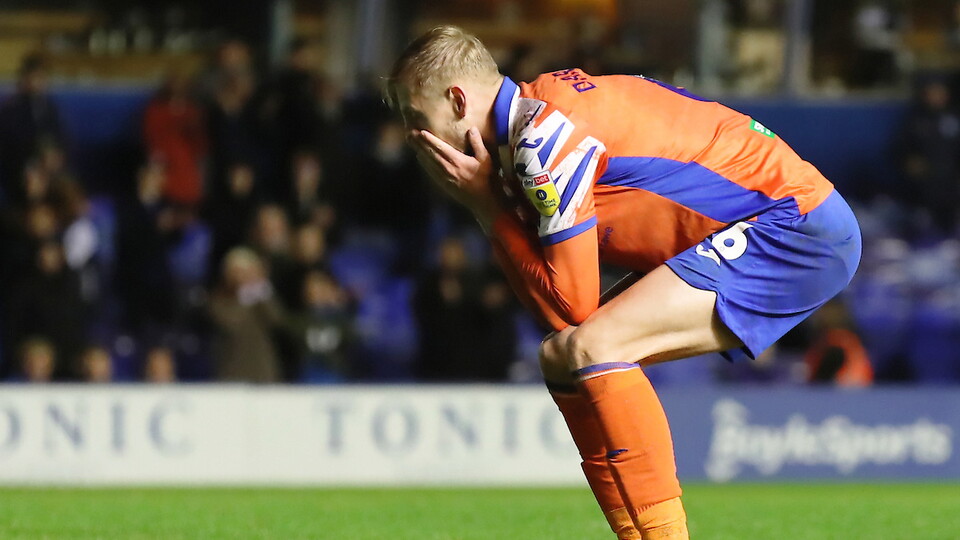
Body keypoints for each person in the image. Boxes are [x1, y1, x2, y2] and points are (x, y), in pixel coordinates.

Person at [386, 26, 861, 539]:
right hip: (768, 219)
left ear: (457, 100)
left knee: (594, 346)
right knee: (561, 356)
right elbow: (559, 320)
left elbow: (570, 306)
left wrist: (486, 208)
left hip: (795, 224)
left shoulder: (542, 137)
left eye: (417, 119)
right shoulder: (533, 123)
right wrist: (490, 206)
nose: (415, 137)